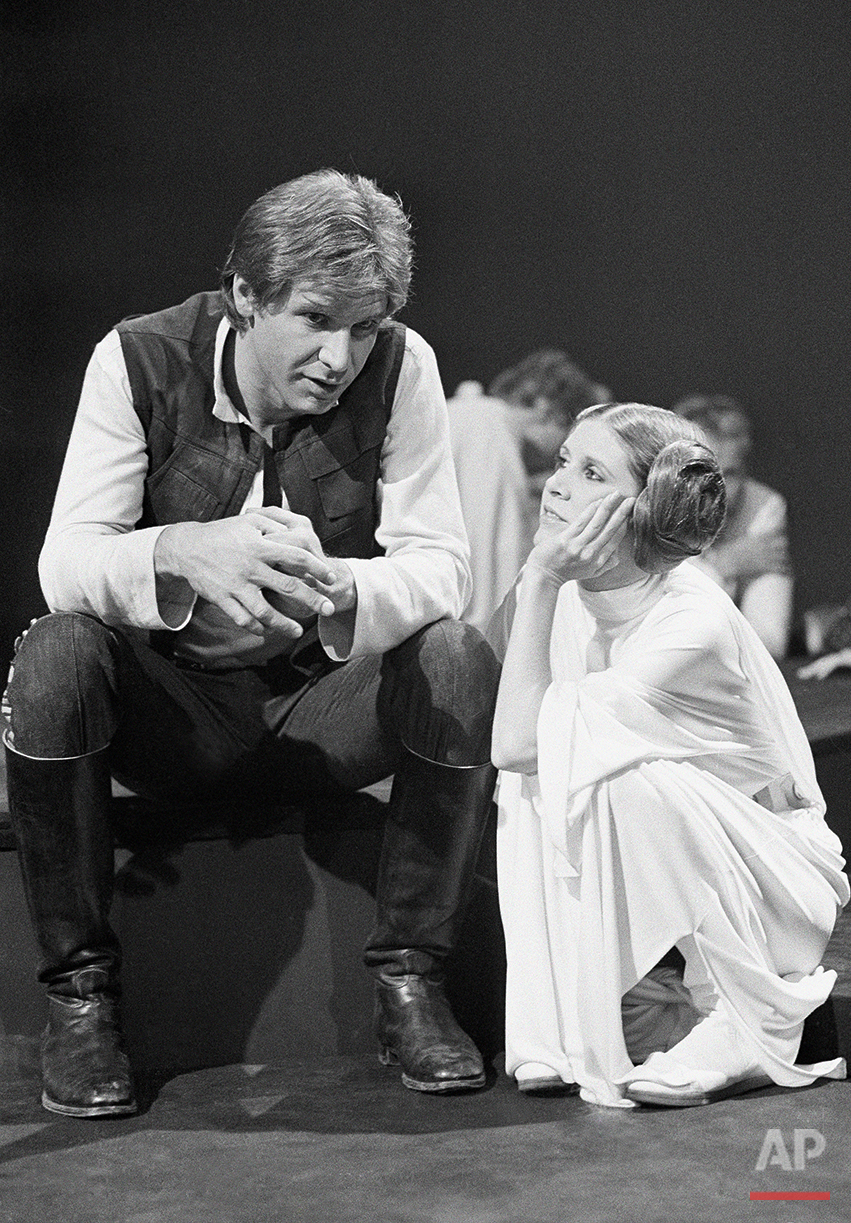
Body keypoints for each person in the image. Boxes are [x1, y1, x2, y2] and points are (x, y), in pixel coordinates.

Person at [2, 169, 501, 1118]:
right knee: (55, 650)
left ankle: (410, 982)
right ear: (243, 295)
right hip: (176, 720)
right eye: (314, 319)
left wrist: (329, 593)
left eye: (362, 328)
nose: (340, 355)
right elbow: (64, 560)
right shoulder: (140, 359)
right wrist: (188, 552)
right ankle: (81, 1000)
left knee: (456, 653)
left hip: (319, 709)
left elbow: (442, 567)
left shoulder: (406, 367)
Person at [490, 402, 848, 1108]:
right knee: (545, 765)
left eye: (590, 471)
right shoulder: (571, 599)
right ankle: (557, 1022)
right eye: (562, 460)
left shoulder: (692, 619)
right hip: (682, 888)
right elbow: (516, 757)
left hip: (774, 895)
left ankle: (741, 1018)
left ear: (645, 507)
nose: (556, 484)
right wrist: (541, 590)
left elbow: (517, 740)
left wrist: (536, 579)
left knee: (606, 763)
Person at [447, 353, 610, 632]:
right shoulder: (490, 436)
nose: (560, 462)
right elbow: (487, 567)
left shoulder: (464, 413)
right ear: (547, 410)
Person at [672, 394, 793, 659]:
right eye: (706, 475)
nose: (720, 492)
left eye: (731, 474)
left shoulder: (764, 505)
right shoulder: (651, 509)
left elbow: (769, 644)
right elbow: (665, 638)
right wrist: (721, 565)